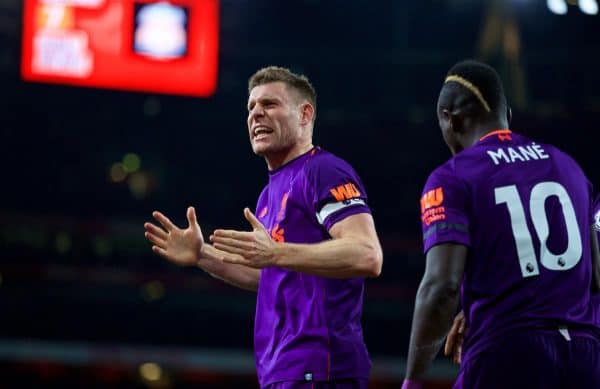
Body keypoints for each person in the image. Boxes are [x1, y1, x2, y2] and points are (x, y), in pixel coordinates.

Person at [144, 66, 383, 389]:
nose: (256, 114)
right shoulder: (268, 194)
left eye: (269, 104)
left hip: (320, 365)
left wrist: (276, 251)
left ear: (304, 114)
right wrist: (202, 255)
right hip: (282, 368)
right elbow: (271, 276)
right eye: (251, 107)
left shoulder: (324, 171)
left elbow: (367, 254)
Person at [402, 60, 600, 389]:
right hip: (586, 357)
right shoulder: (567, 165)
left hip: (507, 355)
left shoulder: (451, 177)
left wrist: (413, 379)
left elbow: (442, 287)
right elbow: (595, 273)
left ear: (449, 119)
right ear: (507, 113)